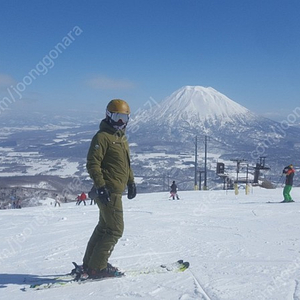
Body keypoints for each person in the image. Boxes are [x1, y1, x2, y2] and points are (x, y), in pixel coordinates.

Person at [75, 99, 136, 280]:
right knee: (115, 230)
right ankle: (97, 268)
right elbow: (93, 164)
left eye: (124, 118)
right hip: (108, 192)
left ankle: (90, 263)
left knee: (104, 228)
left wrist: (131, 182)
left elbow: (125, 164)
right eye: (117, 117)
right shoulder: (102, 137)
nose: (120, 122)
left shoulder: (120, 137)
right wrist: (101, 187)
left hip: (116, 190)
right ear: (108, 116)